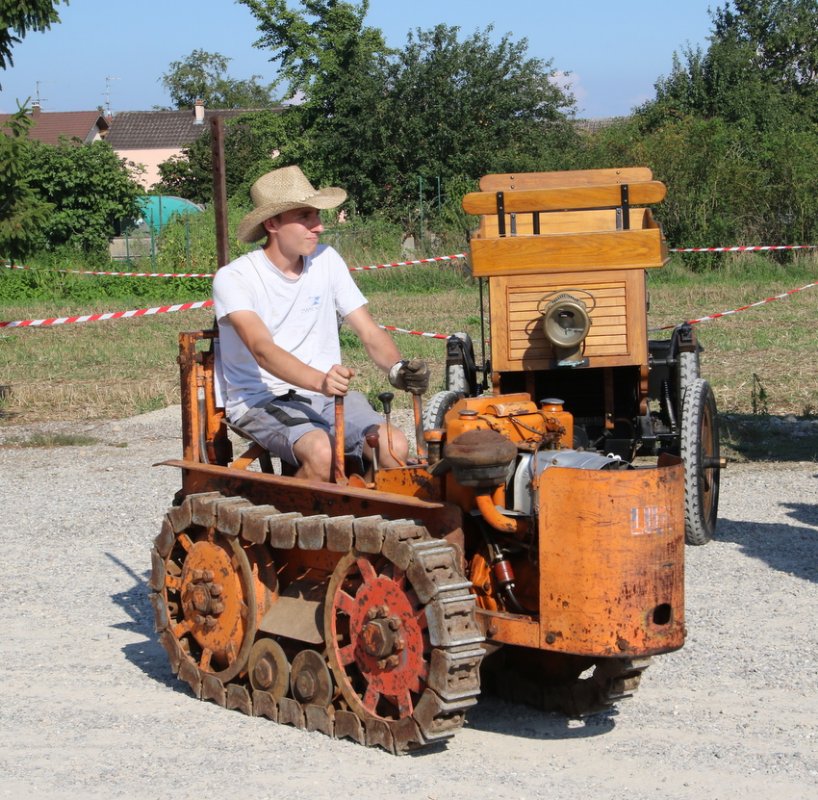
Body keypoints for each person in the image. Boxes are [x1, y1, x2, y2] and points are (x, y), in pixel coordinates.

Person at [213, 165, 429, 481]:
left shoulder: (326, 260)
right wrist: (321, 381)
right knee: (322, 452)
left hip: (327, 396)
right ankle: (289, 513)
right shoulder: (235, 277)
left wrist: (398, 369)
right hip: (262, 399)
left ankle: (366, 510)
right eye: (305, 217)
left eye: (317, 215)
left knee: (393, 446)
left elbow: (368, 331)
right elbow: (262, 350)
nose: (319, 226)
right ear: (272, 224)